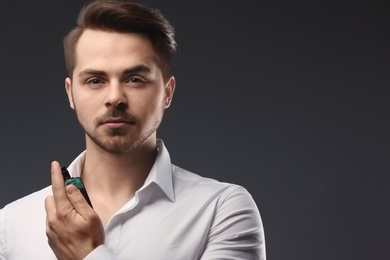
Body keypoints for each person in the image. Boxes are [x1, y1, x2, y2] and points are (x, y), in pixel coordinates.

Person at [0, 0, 266, 259]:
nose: (115, 97)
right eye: (95, 80)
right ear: (71, 94)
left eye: (135, 79)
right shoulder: (11, 225)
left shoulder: (221, 210)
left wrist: (88, 255)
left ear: (167, 93)